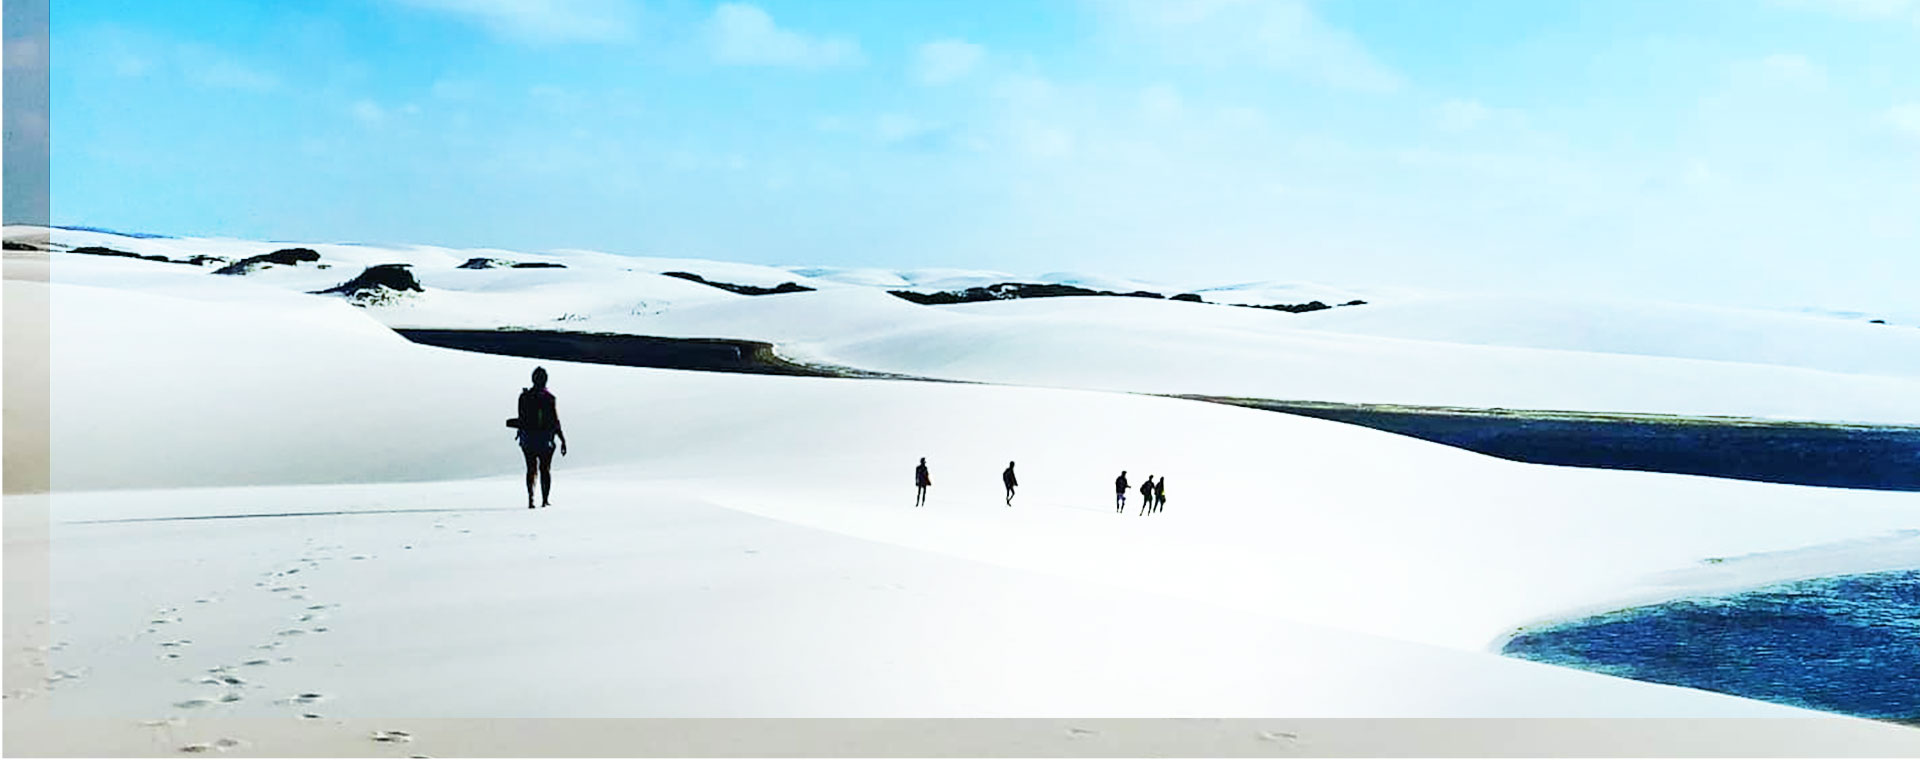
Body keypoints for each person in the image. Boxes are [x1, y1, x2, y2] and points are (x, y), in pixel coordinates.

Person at [514, 367, 567, 509]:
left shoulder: (524, 396)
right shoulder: (549, 398)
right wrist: (562, 439)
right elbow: (555, 421)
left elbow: (521, 417)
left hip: (528, 439)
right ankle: (545, 500)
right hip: (545, 439)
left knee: (531, 469)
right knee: (545, 469)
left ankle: (531, 499)